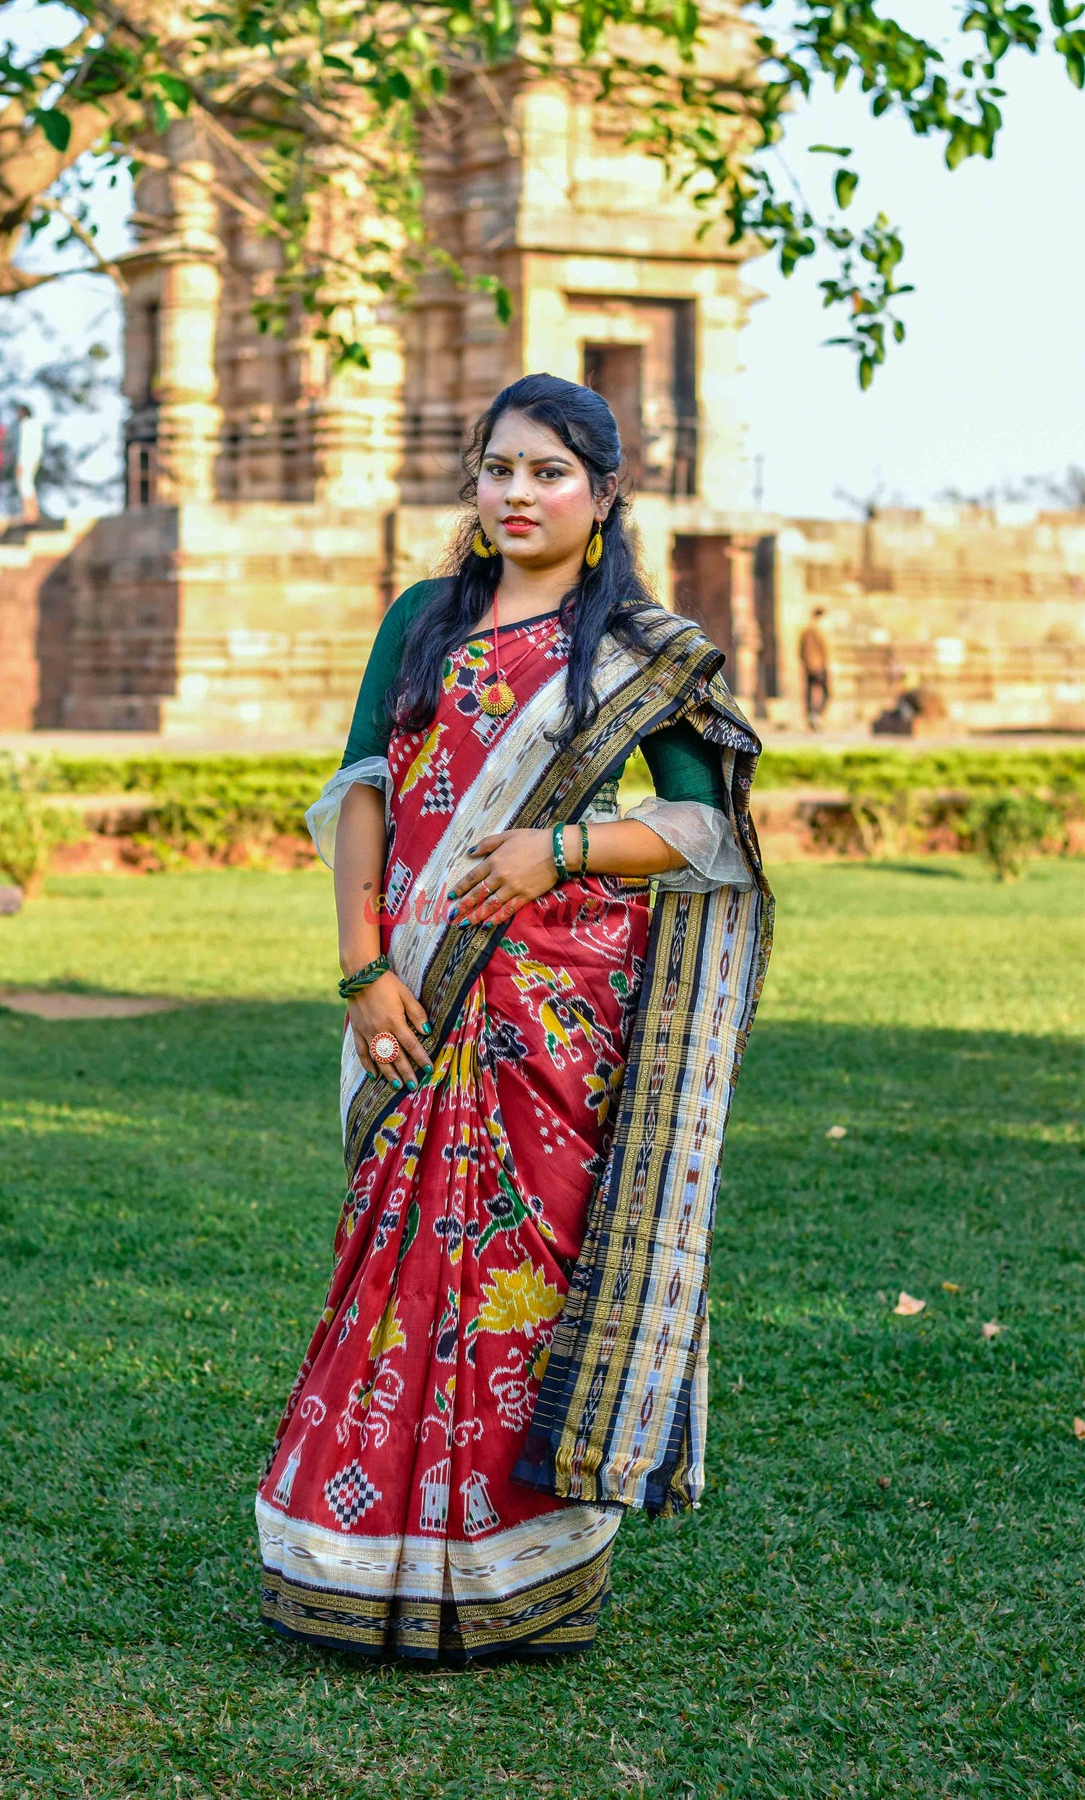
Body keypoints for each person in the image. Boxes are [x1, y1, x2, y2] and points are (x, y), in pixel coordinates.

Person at [255, 373, 774, 1664]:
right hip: (416, 994)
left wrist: (566, 846)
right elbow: (365, 789)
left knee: (522, 1282)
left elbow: (707, 827)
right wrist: (362, 967)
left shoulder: (643, 651)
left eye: (549, 472)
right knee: (392, 1268)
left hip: (557, 1018)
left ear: (603, 496)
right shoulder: (425, 621)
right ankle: (352, 1564)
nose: (517, 493)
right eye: (498, 469)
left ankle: (517, 1578)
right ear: (474, 487)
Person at [799, 606, 830, 730]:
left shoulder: (806, 631)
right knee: (825, 692)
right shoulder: (817, 631)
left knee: (810, 691)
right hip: (818, 666)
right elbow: (823, 650)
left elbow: (801, 651)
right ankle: (815, 714)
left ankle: (811, 714)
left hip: (809, 666)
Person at [14, 404, 43, 523]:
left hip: (27, 459)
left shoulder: (26, 425)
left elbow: (24, 446)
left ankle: (29, 514)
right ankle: (31, 513)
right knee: (27, 484)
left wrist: (21, 463)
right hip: (34, 458)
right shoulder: (36, 424)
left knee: (25, 484)